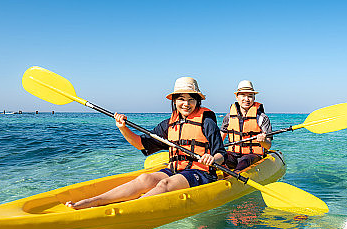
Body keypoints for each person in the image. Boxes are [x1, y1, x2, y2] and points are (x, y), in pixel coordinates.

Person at [65, 77, 226, 209]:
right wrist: (122, 128)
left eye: (191, 100)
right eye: (181, 99)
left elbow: (221, 154)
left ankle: (130, 208)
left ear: (197, 101)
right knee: (144, 179)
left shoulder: (207, 122)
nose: (186, 104)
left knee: (165, 184)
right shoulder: (168, 125)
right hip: (175, 169)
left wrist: (212, 159)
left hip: (200, 173)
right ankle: (95, 201)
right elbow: (141, 144)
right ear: (175, 101)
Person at [221, 80, 272, 171]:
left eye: (250, 96)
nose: (246, 99)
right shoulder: (228, 117)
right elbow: (220, 140)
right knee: (221, 157)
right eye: (243, 95)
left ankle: (237, 176)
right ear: (237, 97)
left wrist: (262, 141)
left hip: (252, 156)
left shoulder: (261, 118)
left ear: (254, 98)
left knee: (244, 161)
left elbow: (268, 146)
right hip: (233, 154)